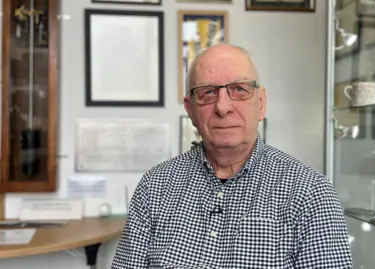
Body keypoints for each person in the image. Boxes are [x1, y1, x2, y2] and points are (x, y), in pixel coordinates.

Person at [111, 44, 353, 269]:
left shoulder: (311, 193)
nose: (222, 107)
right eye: (207, 92)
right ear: (190, 110)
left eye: (239, 89)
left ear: (262, 103)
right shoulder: (155, 186)